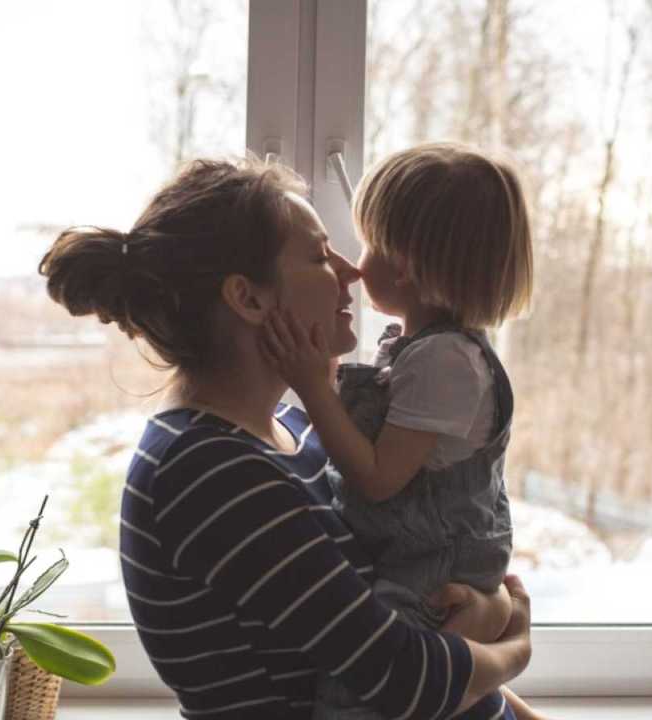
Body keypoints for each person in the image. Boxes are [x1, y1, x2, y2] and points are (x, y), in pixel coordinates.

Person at [38, 156, 531, 719]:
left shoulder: (297, 436)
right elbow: (402, 678)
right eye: (321, 255)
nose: (352, 272)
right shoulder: (208, 473)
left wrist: (490, 614)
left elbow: (405, 624)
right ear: (249, 299)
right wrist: (515, 642)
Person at [260, 143, 544, 719]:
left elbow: (378, 480)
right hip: (419, 561)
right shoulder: (425, 352)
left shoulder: (445, 362)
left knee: (361, 696)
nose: (356, 265)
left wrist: (315, 386)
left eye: (371, 246)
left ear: (408, 264)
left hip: (431, 573)